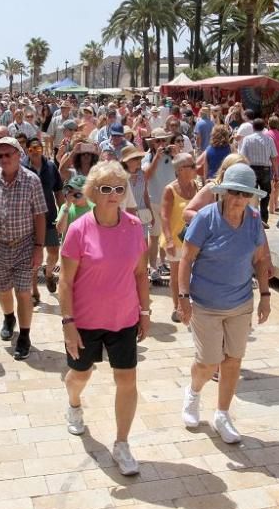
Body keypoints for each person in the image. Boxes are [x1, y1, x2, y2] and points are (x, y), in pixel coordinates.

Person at [58, 161, 150, 476]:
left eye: (119, 189)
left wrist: (145, 311)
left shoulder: (135, 227)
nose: (113, 195)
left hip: (123, 319)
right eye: (106, 188)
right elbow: (65, 282)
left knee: (127, 380)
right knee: (79, 376)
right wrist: (68, 324)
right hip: (84, 320)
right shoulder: (78, 228)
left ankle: (122, 443)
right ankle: (73, 403)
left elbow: (141, 274)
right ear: (93, 192)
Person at [178, 164, 272, 443]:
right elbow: (186, 259)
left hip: (241, 302)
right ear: (223, 192)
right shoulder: (205, 218)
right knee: (208, 362)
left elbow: (260, 259)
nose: (238, 199)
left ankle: (222, 413)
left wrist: (265, 296)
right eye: (233, 192)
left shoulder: (254, 219)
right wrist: (183, 298)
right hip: (206, 304)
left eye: (244, 194)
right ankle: (193, 393)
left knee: (233, 361)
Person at [0, 136, 47, 361]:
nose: (4, 159)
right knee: (2, 288)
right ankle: (9, 318)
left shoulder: (31, 180)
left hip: (25, 243)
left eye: (9, 155)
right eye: (0, 156)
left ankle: (25, 336)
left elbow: (39, 215)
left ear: (19, 155)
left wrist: (39, 247)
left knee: (24, 292)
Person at [23, 137, 64, 304]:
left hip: (50, 217)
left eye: (38, 149)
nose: (35, 152)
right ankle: (34, 292)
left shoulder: (51, 167)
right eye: (31, 149)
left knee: (54, 253)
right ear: (26, 150)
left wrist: (64, 213)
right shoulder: (22, 168)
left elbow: (59, 192)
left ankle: (48, 273)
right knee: (33, 257)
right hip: (29, 220)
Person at [161, 153, 199, 323]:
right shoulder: (170, 189)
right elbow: (164, 217)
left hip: (194, 240)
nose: (195, 168)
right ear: (181, 170)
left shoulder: (197, 186)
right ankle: (178, 308)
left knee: (194, 274)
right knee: (176, 276)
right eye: (192, 165)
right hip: (176, 240)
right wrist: (169, 240)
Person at [144, 129, 178, 280]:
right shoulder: (147, 157)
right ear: (152, 143)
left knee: (167, 233)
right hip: (154, 201)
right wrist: (156, 158)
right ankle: (152, 266)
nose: (162, 144)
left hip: (170, 201)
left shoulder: (173, 156)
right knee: (155, 234)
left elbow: (186, 170)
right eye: (158, 141)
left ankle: (163, 262)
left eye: (164, 140)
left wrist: (176, 154)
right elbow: (146, 175)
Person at [239, 118, 278, 225]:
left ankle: (252, 218)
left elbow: (242, 156)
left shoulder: (247, 139)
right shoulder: (269, 139)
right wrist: (276, 173)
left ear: (253, 127)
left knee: (251, 195)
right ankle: (263, 219)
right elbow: (274, 157)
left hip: (251, 169)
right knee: (266, 195)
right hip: (265, 169)